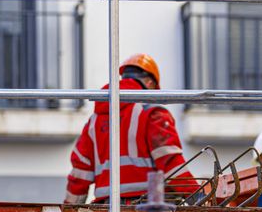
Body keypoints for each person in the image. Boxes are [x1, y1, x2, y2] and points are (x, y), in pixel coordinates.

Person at [65, 54, 200, 204]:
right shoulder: (152, 113)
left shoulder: (94, 121)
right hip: (150, 211)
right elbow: (170, 162)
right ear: (149, 83)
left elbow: (79, 176)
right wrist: (198, 198)